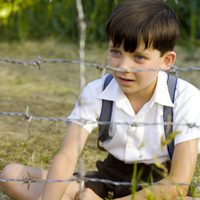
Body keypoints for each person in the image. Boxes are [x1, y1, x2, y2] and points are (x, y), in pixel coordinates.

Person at [0, 0, 200, 199]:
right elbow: (67, 156)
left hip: (157, 186)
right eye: (116, 52)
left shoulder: (185, 98)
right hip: (107, 180)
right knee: (11, 176)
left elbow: (178, 183)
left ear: (166, 61)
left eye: (138, 57)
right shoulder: (97, 91)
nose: (124, 66)